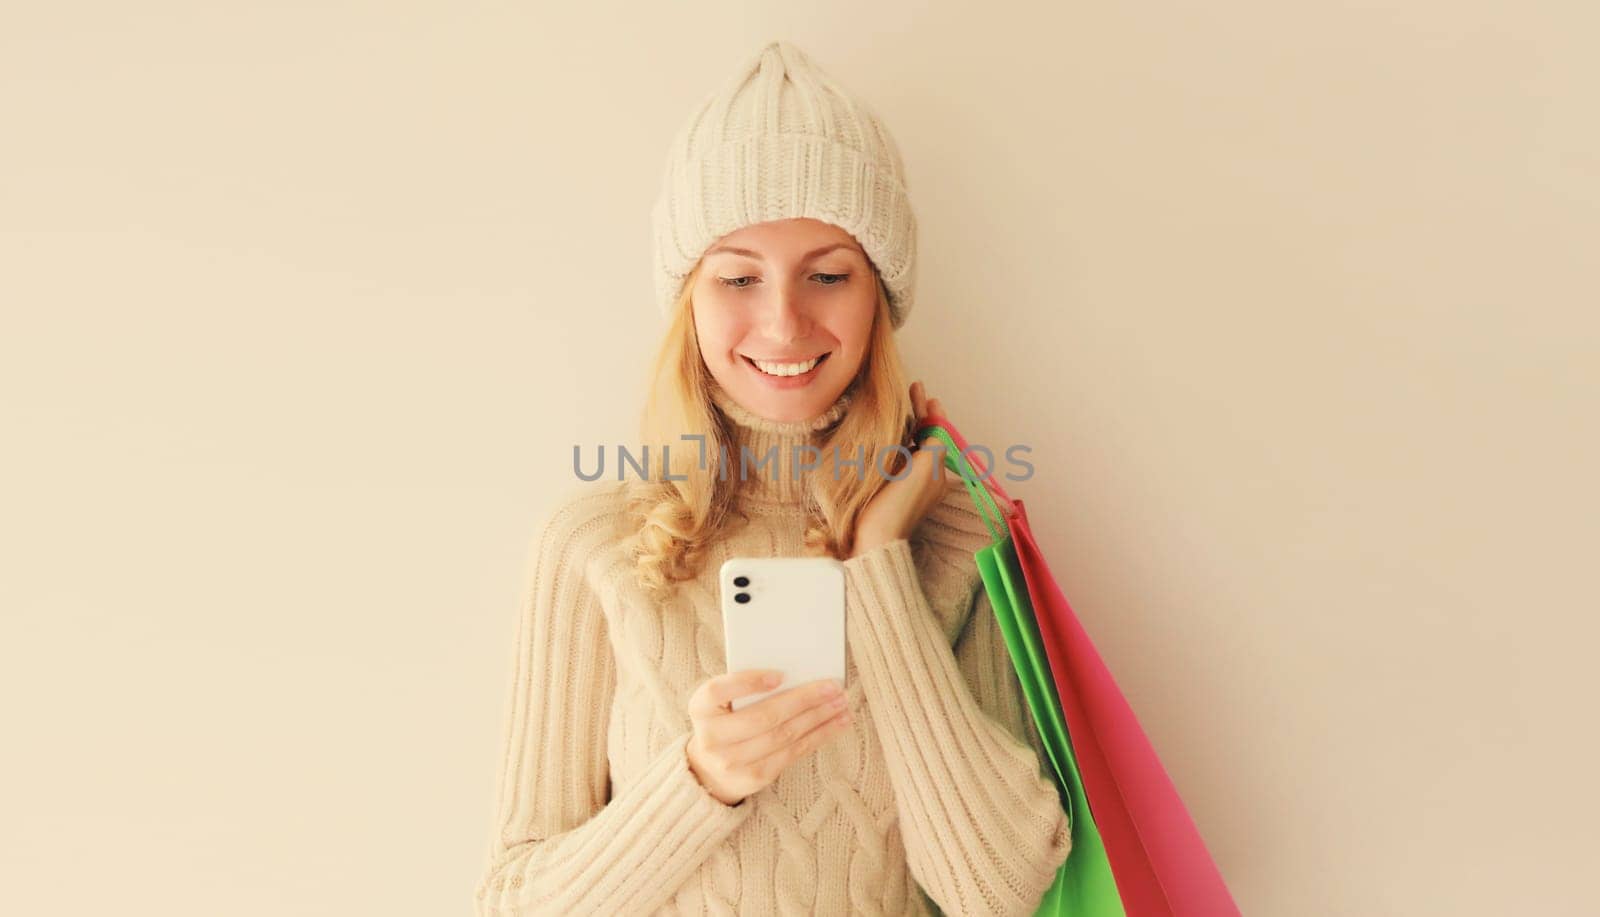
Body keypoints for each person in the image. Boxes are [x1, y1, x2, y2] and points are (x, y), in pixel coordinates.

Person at [473, 39, 1072, 916]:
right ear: (689, 299)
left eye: (828, 274)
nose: (783, 322)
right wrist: (699, 780)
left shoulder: (955, 533)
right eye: (737, 277)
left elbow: (998, 890)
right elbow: (510, 901)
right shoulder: (592, 543)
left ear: (879, 295)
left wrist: (878, 573)